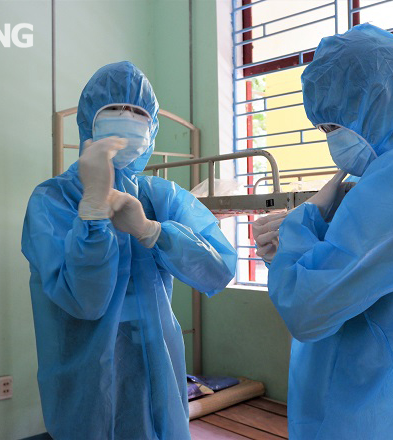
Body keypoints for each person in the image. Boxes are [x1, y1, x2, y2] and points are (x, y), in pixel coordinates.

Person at [255, 24, 393, 439]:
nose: (331, 141)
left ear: (380, 99)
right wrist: (300, 242)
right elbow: (358, 271)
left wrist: (302, 222)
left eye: (334, 125)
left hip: (381, 416)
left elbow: (307, 308)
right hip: (382, 404)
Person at [21, 61, 236, 440]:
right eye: (114, 110)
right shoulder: (52, 200)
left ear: (151, 128)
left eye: (139, 113)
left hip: (158, 372)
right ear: (89, 121)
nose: (128, 119)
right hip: (88, 379)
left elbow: (218, 269)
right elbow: (86, 301)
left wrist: (152, 231)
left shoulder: (161, 196)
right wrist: (91, 212)